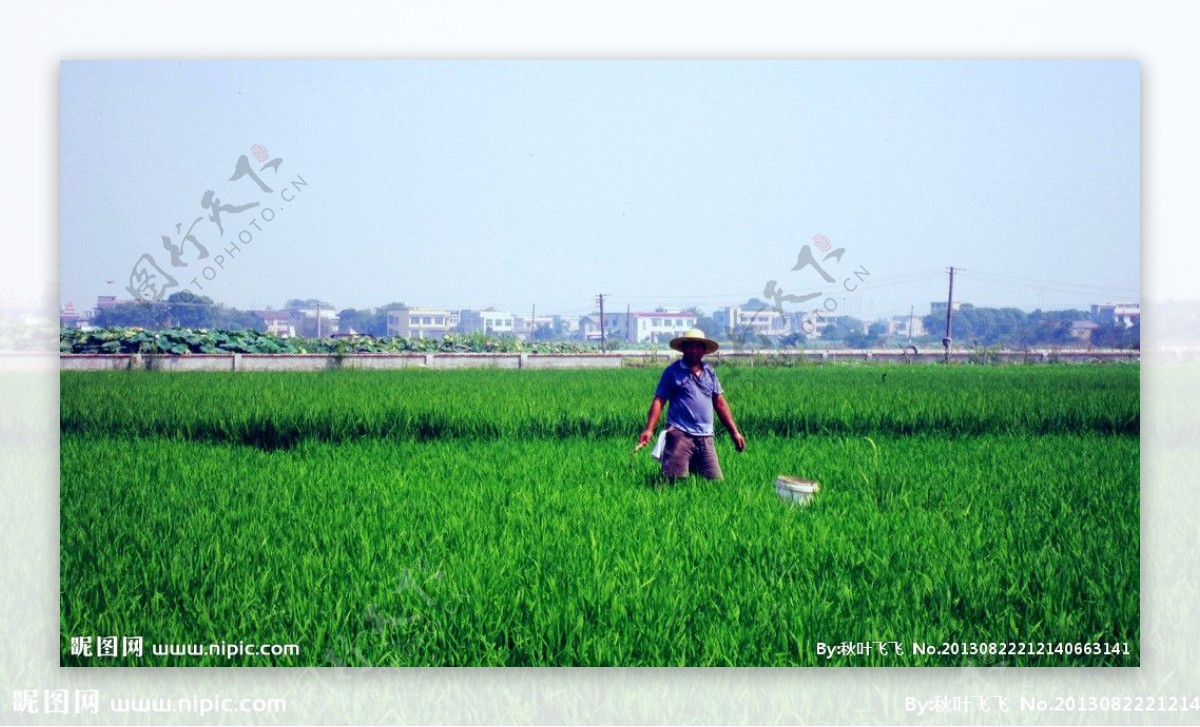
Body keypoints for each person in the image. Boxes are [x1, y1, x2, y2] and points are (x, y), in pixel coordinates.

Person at [637, 328, 746, 480]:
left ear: (703, 350)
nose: (694, 350)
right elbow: (659, 400)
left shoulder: (710, 372)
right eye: (691, 346)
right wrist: (649, 430)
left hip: (705, 436)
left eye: (698, 347)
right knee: (673, 483)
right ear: (684, 348)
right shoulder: (672, 372)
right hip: (679, 434)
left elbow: (720, 404)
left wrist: (734, 432)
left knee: (715, 483)